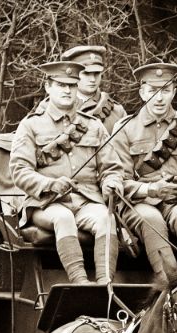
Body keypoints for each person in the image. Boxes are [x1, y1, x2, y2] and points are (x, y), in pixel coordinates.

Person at [10, 60, 124, 284]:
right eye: (60, 85)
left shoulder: (93, 126)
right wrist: (49, 184)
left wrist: (112, 183)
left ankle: (104, 283)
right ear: (48, 87)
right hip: (46, 204)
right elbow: (19, 170)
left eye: (71, 85)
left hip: (87, 201)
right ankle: (80, 282)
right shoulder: (30, 126)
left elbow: (111, 168)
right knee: (63, 218)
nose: (67, 90)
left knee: (105, 218)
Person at [111, 62, 177, 278]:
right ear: (142, 92)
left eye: (165, 91)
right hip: (139, 204)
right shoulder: (125, 129)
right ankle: (171, 283)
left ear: (173, 93)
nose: (159, 98)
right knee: (151, 218)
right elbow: (118, 181)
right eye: (153, 91)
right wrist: (151, 190)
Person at [62, 44, 127, 134]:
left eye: (96, 73)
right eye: (86, 73)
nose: (93, 79)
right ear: (73, 73)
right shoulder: (57, 106)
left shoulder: (116, 111)